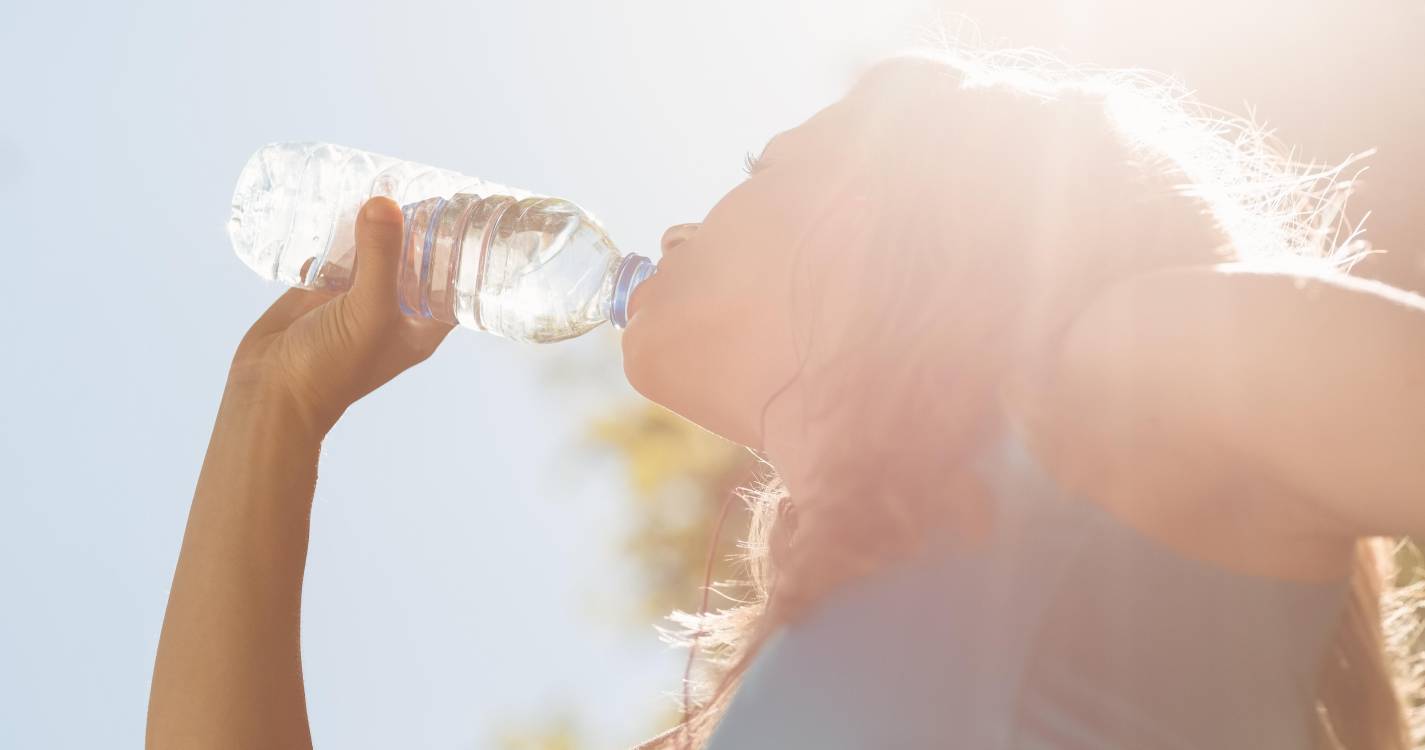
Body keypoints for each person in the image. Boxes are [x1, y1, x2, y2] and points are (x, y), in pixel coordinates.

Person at [147, 48, 1423, 750]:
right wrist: (271, 414)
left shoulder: (1129, 370)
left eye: (758, 169)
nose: (692, 215)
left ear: (910, 205)